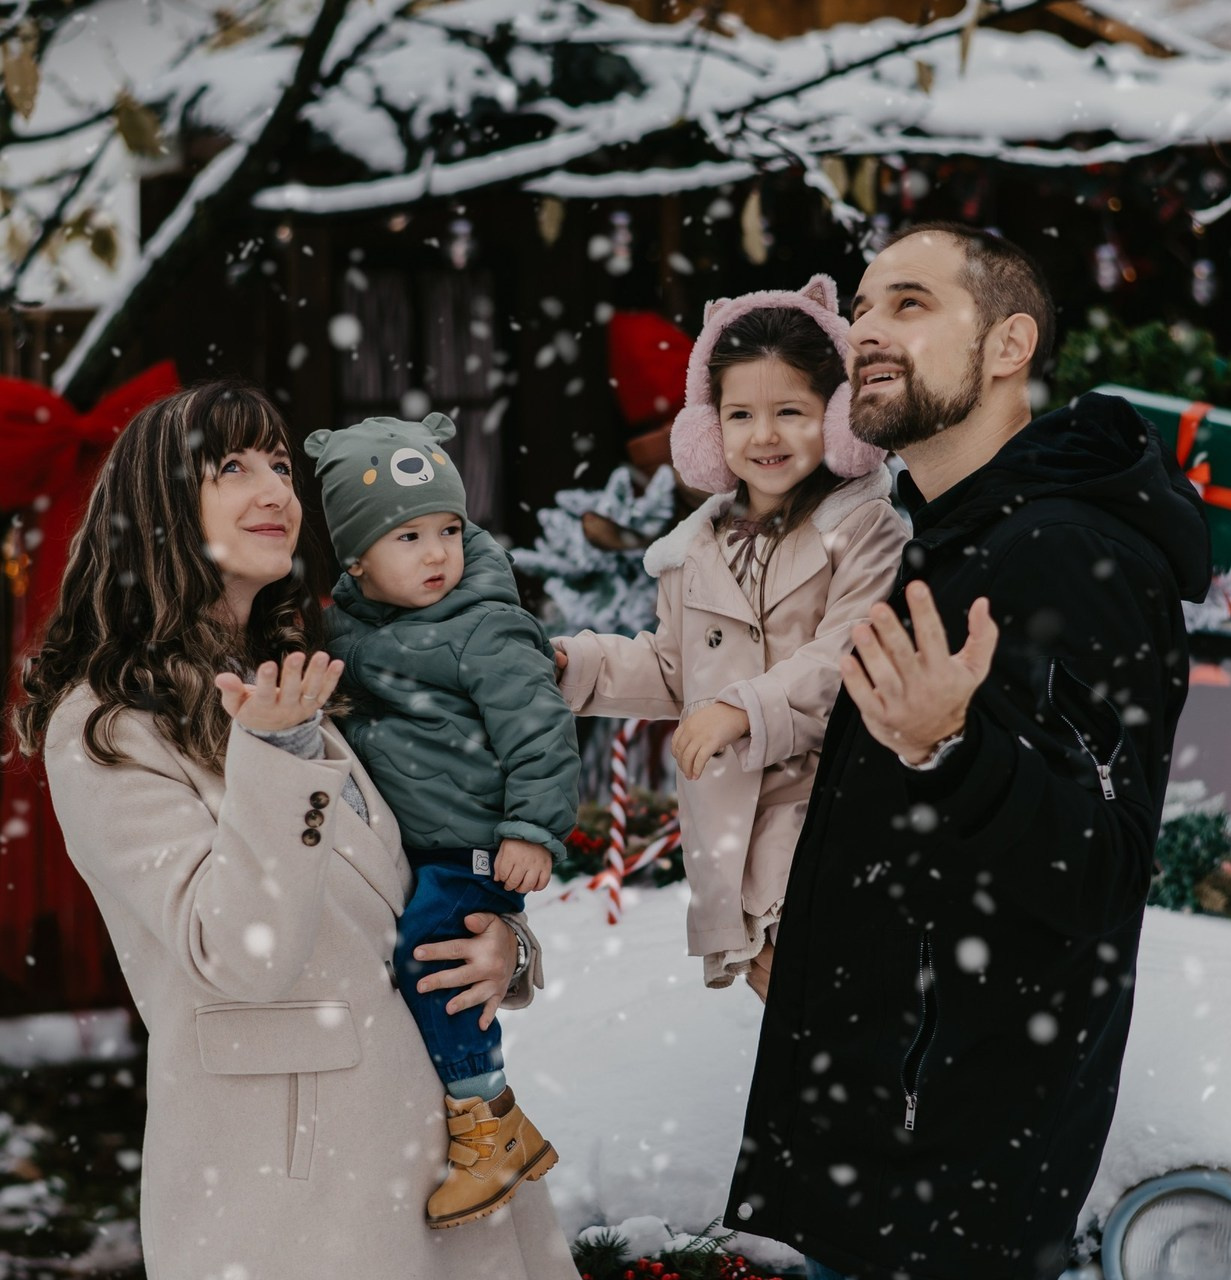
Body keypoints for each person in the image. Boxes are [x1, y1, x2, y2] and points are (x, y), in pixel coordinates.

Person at [724, 224, 1211, 1280]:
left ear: (1006, 346)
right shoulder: (946, 541)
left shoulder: (1065, 554)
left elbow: (1101, 867)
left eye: (908, 303)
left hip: (944, 1193)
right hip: (889, 1166)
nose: (864, 331)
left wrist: (946, 747)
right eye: (858, 308)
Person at [12, 382, 578, 1280]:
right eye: (231, 466)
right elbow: (242, 952)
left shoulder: (299, 678)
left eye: (279, 463)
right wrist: (274, 750)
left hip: (437, 1157)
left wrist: (505, 945)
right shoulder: (110, 723)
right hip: (293, 1201)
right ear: (156, 509)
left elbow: (388, 894)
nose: (275, 488)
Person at [555, 275, 907, 991]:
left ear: (839, 416)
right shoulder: (698, 548)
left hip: (829, 821)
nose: (764, 436)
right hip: (735, 837)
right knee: (797, 1035)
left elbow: (846, 655)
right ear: (710, 429)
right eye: (740, 415)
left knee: (835, 1023)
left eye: (791, 411)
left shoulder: (864, 527)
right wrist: (572, 664)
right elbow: (674, 669)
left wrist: (743, 708)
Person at [303, 412, 578, 1229]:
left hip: (474, 842)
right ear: (356, 560)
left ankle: (484, 1116)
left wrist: (530, 830)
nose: (436, 554)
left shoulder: (481, 624)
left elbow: (540, 727)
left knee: (436, 955)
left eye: (448, 531)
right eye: (408, 538)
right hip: (421, 839)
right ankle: (508, 1128)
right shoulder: (350, 623)